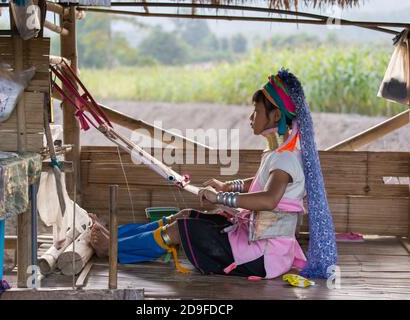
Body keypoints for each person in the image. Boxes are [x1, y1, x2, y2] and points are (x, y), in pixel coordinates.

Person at [90, 69, 337, 279]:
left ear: (275, 116)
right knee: (186, 215)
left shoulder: (285, 157)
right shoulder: (282, 153)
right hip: (254, 241)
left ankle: (111, 249)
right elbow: (259, 184)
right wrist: (227, 186)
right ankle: (115, 237)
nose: (251, 118)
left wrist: (220, 199)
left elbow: (269, 199)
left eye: (256, 112)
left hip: (262, 256)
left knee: (180, 229)